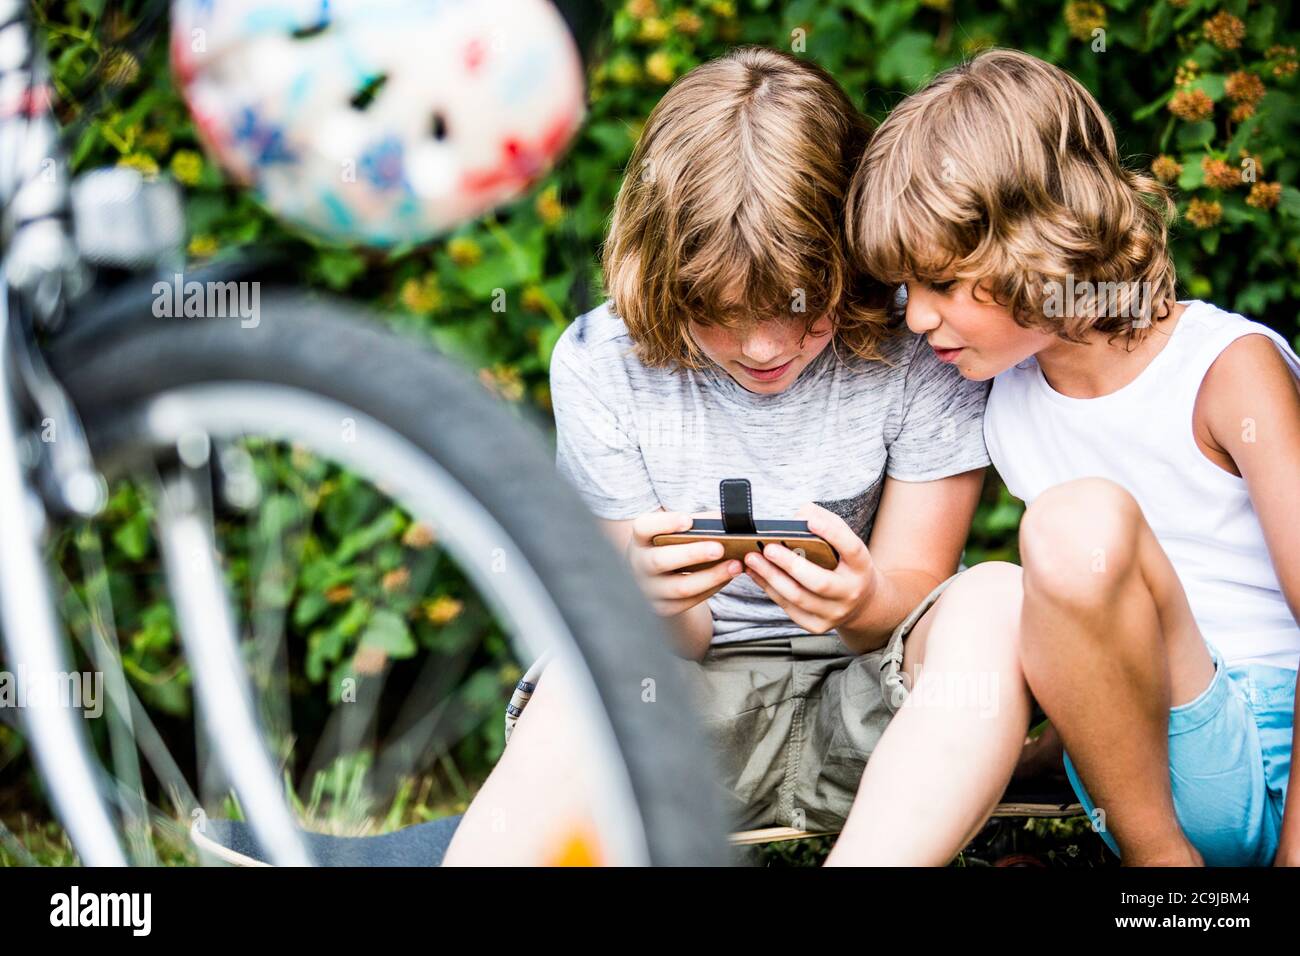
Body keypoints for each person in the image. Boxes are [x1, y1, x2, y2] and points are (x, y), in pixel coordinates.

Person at [441, 46, 1028, 865]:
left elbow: (910, 592)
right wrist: (653, 597)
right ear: (661, 274)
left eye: (801, 308)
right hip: (683, 726)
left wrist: (860, 600)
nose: (761, 347)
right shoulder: (601, 363)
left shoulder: (920, 345)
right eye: (718, 313)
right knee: (594, 662)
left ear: (854, 260)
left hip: (882, 722)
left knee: (997, 601)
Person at [835, 48, 1300, 867]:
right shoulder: (1009, 397)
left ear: (1041, 246)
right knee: (1026, 574)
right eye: (909, 290)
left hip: (1259, 757)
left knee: (1069, 526)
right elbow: (1090, 627)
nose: (917, 319)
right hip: (1135, 776)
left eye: (944, 283)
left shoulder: (1227, 373)